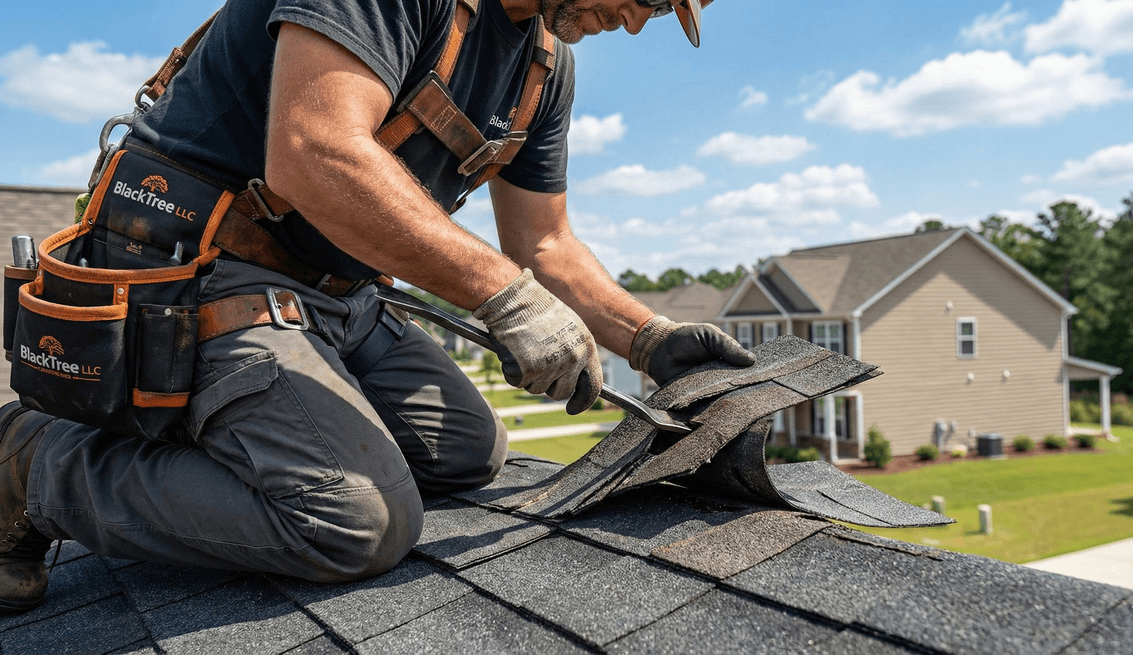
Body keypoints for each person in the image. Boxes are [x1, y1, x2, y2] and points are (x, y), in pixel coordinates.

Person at [0, 0, 754, 611]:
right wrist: (502, 295)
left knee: (468, 451)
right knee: (354, 520)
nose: (634, 22)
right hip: (199, 267)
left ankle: (233, 428)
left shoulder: (542, 68)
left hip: (338, 296)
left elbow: (546, 243)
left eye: (659, 16)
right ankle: (33, 463)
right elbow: (312, 150)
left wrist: (649, 339)